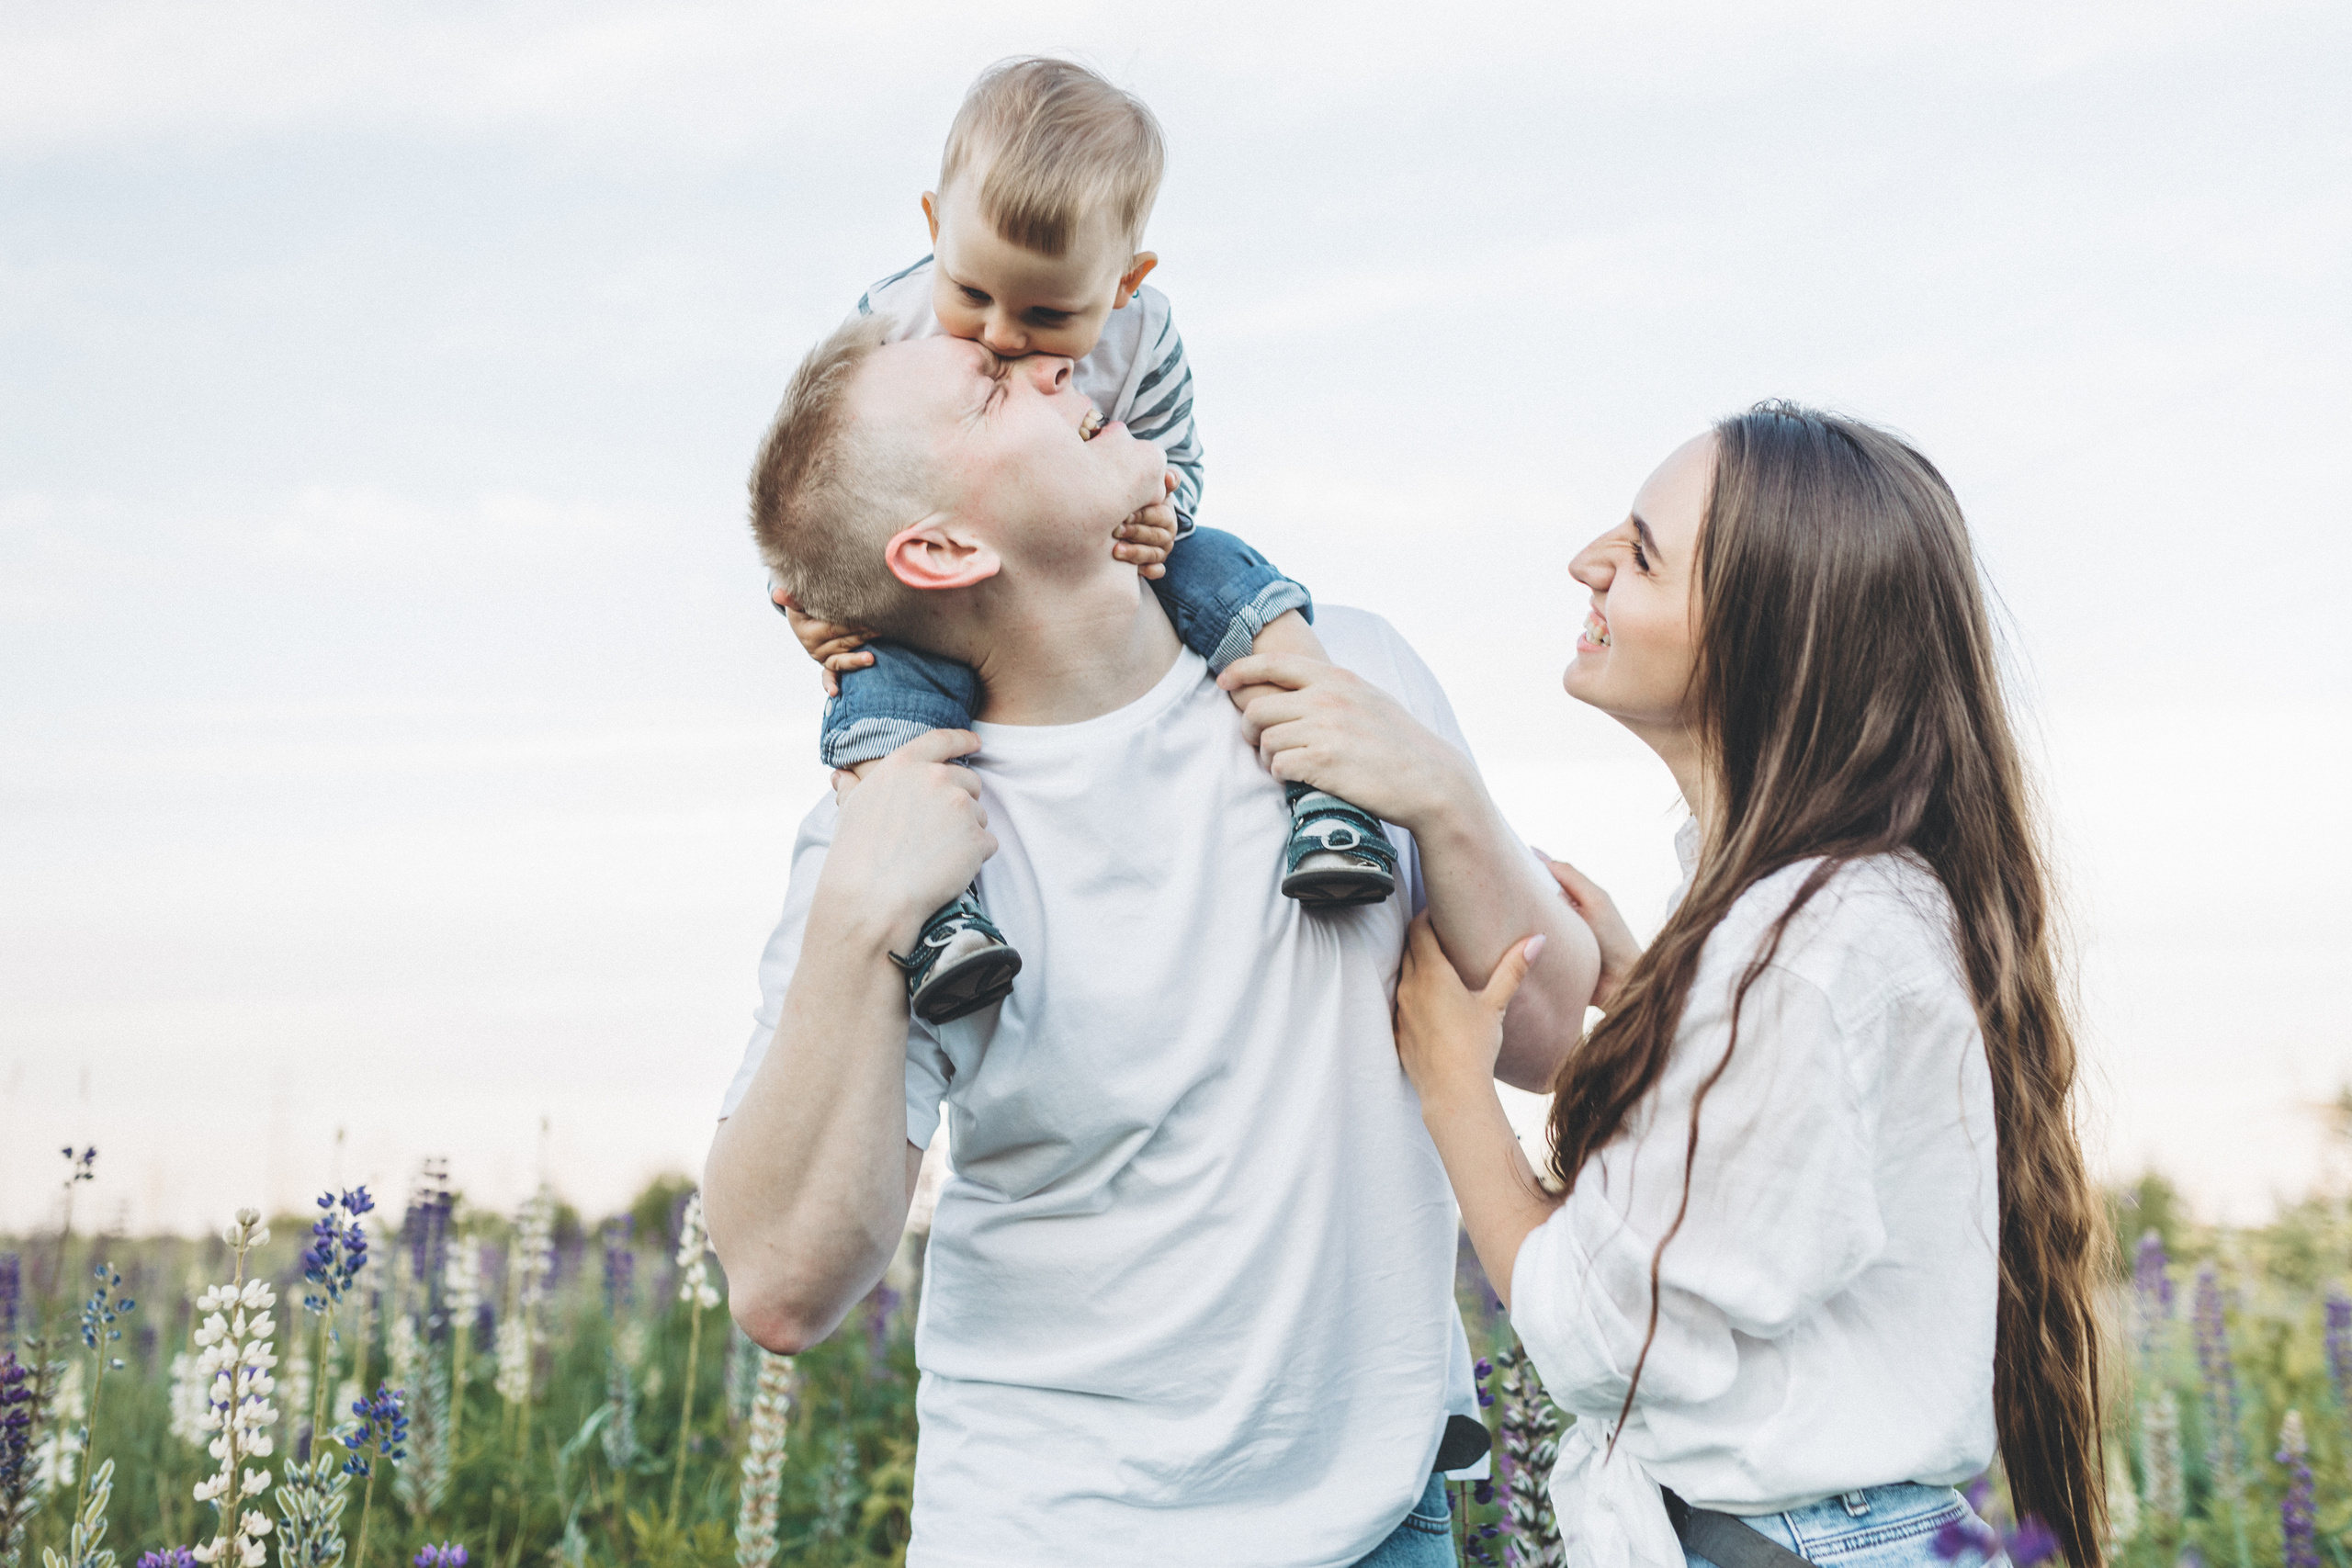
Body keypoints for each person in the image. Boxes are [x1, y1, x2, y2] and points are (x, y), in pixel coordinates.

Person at [702, 314, 1601, 1566]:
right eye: (991, 387)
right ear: (944, 545)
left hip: (1384, 1524)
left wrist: (1440, 792)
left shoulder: (1343, 670)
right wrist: (860, 918)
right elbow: (782, 1286)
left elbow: (1554, 1038)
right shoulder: (890, 825)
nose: (1057, 364)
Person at [1367, 405, 2108, 1568]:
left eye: (1643, 551)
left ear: (1766, 638)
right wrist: (1654, 998)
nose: (1587, 561)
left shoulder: (1808, 948)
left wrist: (1450, 1081)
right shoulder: (1827, 917)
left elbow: (1601, 1335)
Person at [774, 56, 1396, 1025]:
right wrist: (817, 606)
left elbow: (1177, 461)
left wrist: (1165, 511)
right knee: (876, 695)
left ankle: (1327, 795)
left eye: (1050, 314)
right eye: (970, 293)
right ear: (935, 228)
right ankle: (938, 914)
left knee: (1234, 576)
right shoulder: (885, 323)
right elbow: (822, 480)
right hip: (950, 588)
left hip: (1115, 552)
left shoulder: (1146, 337)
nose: (1002, 336)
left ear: (1126, 280)